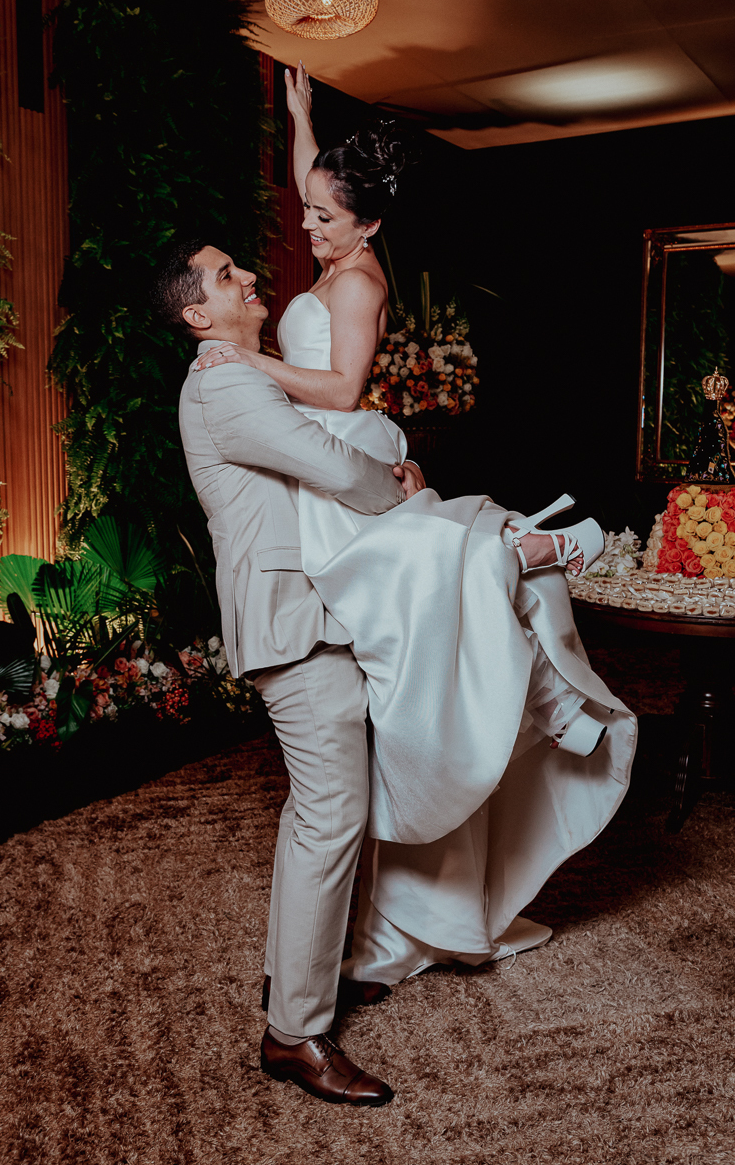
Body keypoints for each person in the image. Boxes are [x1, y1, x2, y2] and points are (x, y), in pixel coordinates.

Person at [192, 64, 637, 991]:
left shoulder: (356, 285)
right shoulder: (335, 243)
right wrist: (302, 120)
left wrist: (247, 358)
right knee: (407, 625)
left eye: (322, 217)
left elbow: (344, 389)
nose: (304, 224)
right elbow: (324, 186)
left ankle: (534, 567)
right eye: (308, 209)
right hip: (323, 455)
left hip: (335, 436)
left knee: (421, 574)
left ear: (369, 228)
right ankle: (509, 711)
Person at [158, 240, 425, 1107]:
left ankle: (302, 982)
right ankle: (293, 1036)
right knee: (330, 812)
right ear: (199, 313)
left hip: (315, 610)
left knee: (332, 806)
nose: (246, 278)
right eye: (226, 275)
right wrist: (398, 484)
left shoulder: (242, 373)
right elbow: (328, 460)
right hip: (288, 620)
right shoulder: (224, 381)